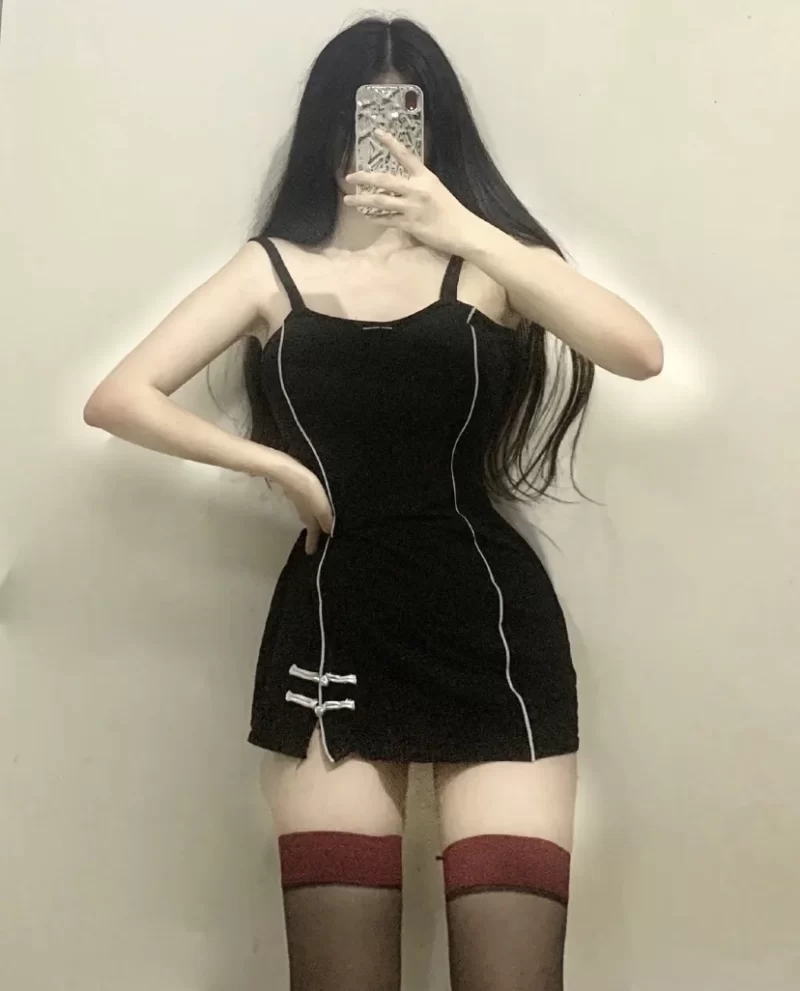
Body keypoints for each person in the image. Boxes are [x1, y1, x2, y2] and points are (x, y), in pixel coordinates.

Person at [84, 15, 663, 991]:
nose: (386, 136)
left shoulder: (488, 264)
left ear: (439, 129)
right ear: (330, 127)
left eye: (409, 115)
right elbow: (117, 397)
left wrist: (461, 224)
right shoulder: (272, 269)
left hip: (490, 632)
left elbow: (637, 351)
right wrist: (277, 469)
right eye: (367, 114)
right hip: (331, 626)